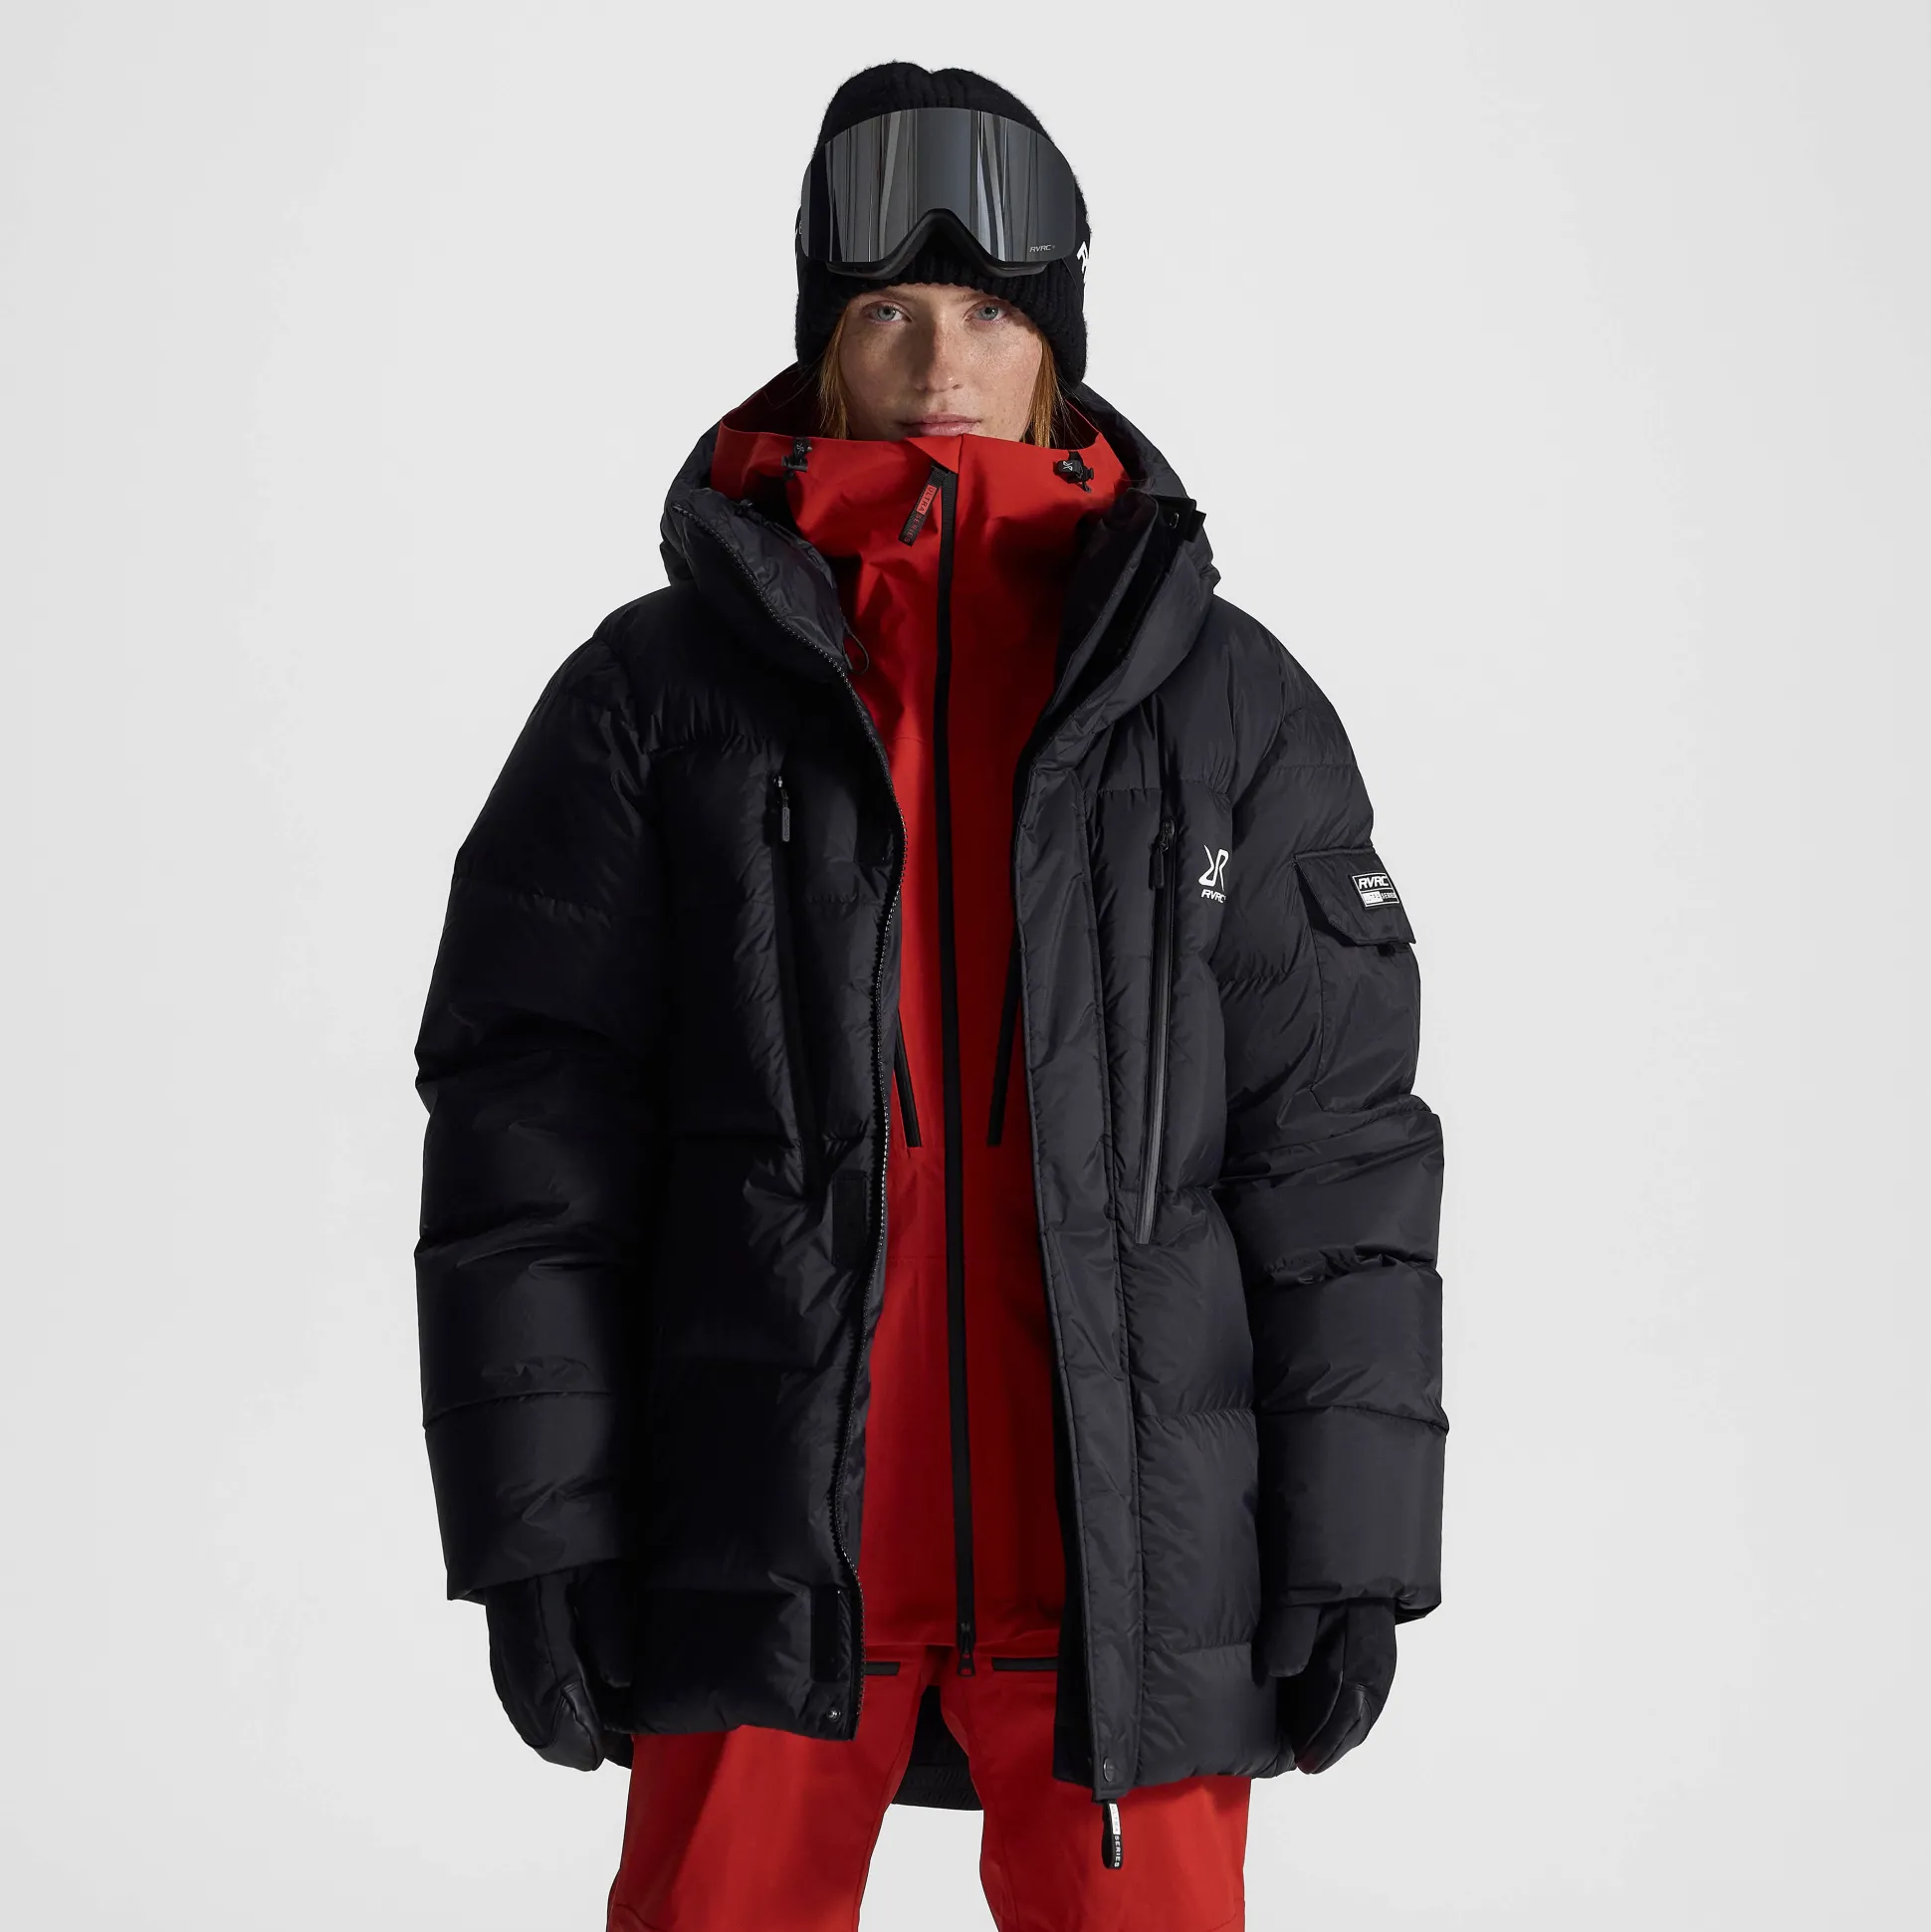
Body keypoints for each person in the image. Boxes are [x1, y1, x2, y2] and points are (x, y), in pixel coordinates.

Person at [411, 61, 1448, 1932]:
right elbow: (528, 1136)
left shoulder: (1229, 706)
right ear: (825, 343)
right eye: (891, 312)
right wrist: (539, 1525)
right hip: (763, 1541)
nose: (943, 363)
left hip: (1126, 1565)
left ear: (1058, 345)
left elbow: (1335, 1152)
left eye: (990, 314)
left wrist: (1352, 1545)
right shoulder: (652, 700)